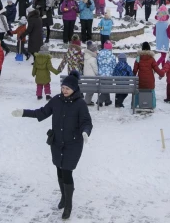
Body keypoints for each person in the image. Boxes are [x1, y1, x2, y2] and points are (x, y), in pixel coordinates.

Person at [11, 71, 92, 220]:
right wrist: (23, 113)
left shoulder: (80, 104)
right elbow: (41, 112)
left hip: (73, 144)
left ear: (74, 89)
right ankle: (63, 197)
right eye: (63, 87)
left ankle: (68, 205)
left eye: (68, 88)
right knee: (59, 170)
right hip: (56, 143)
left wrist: (86, 132)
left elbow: (86, 122)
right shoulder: (56, 100)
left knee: (67, 172)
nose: (64, 90)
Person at [96, 40, 117, 106]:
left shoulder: (99, 54)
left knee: (104, 87)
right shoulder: (112, 56)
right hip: (109, 75)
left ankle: (107, 101)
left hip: (101, 74)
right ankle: (100, 99)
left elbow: (97, 64)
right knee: (107, 88)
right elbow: (114, 66)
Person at [83, 41, 99, 106]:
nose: (96, 51)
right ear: (92, 51)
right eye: (95, 50)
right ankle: (87, 101)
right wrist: (97, 74)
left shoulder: (86, 57)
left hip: (87, 75)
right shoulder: (92, 59)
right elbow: (95, 68)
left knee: (89, 90)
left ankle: (87, 100)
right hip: (92, 76)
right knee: (91, 90)